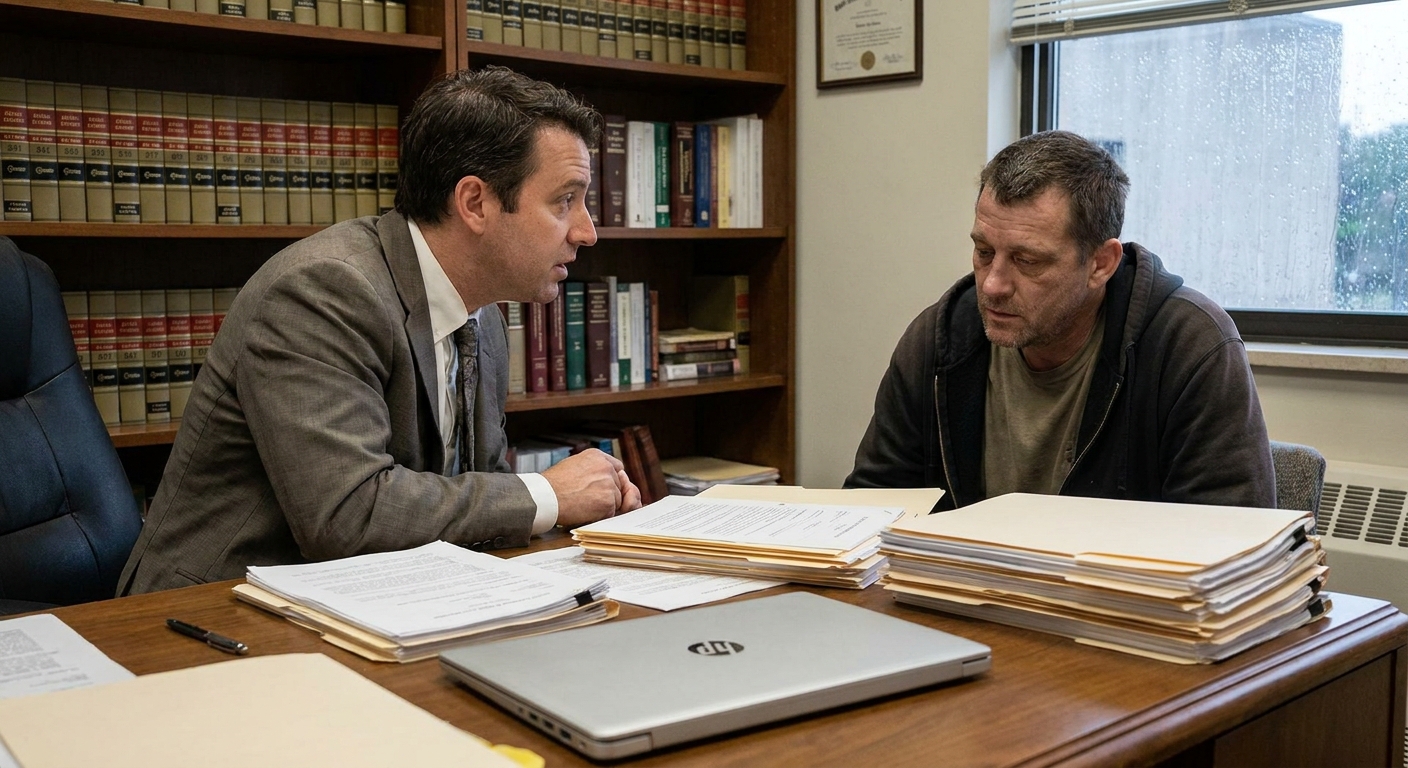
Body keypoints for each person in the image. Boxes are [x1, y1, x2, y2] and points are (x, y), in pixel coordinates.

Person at [119, 67, 641, 595]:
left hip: (378, 600)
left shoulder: (484, 315)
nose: (587, 231)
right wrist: (546, 496)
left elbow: (473, 495)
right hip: (212, 614)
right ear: (475, 203)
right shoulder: (323, 291)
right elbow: (346, 515)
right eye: (564, 201)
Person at [846, 131, 1275, 510]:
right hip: (956, 600)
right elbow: (871, 511)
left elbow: (1233, 544)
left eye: (1027, 260)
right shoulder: (939, 340)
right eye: (983, 252)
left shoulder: (1189, 348)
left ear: (1101, 264)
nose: (992, 285)